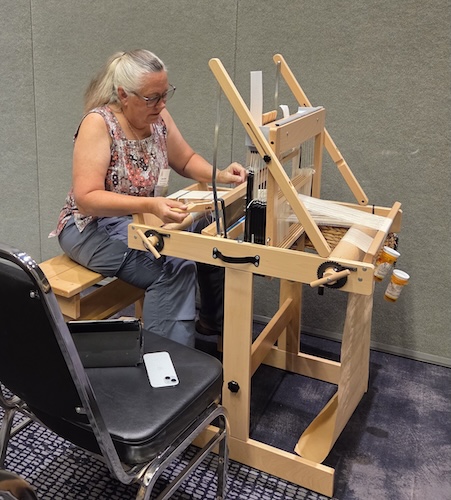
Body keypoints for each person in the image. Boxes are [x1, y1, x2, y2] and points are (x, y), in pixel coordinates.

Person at [51, 49, 247, 347]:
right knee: (172, 269)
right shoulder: (99, 123)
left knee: (213, 227)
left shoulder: (158, 117)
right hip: (88, 227)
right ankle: (167, 362)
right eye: (152, 98)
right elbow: (87, 198)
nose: (161, 104)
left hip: (137, 219)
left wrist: (220, 175)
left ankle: (213, 321)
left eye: (165, 94)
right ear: (123, 95)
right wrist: (150, 205)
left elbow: (185, 159)